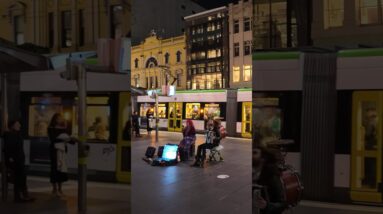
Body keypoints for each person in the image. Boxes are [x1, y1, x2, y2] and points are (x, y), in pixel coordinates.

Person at [4, 120, 34, 202]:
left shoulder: (16, 134)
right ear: (12, 126)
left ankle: (23, 195)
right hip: (15, 160)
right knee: (18, 178)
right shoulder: (10, 134)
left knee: (22, 177)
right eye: (17, 124)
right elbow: (8, 148)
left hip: (19, 159)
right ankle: (19, 197)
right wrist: (10, 158)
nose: (19, 125)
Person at [48, 113, 76, 197]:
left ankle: (60, 189)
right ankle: (54, 189)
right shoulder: (50, 128)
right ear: (55, 119)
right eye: (58, 118)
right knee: (54, 169)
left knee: (61, 169)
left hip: (63, 151)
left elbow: (69, 140)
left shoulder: (64, 128)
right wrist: (64, 138)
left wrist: (73, 139)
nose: (60, 119)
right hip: (55, 151)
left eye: (61, 118)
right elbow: (53, 139)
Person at [253, 145, 287, 214]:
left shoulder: (272, 176)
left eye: (254, 153)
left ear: (262, 159)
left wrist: (267, 205)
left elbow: (282, 205)